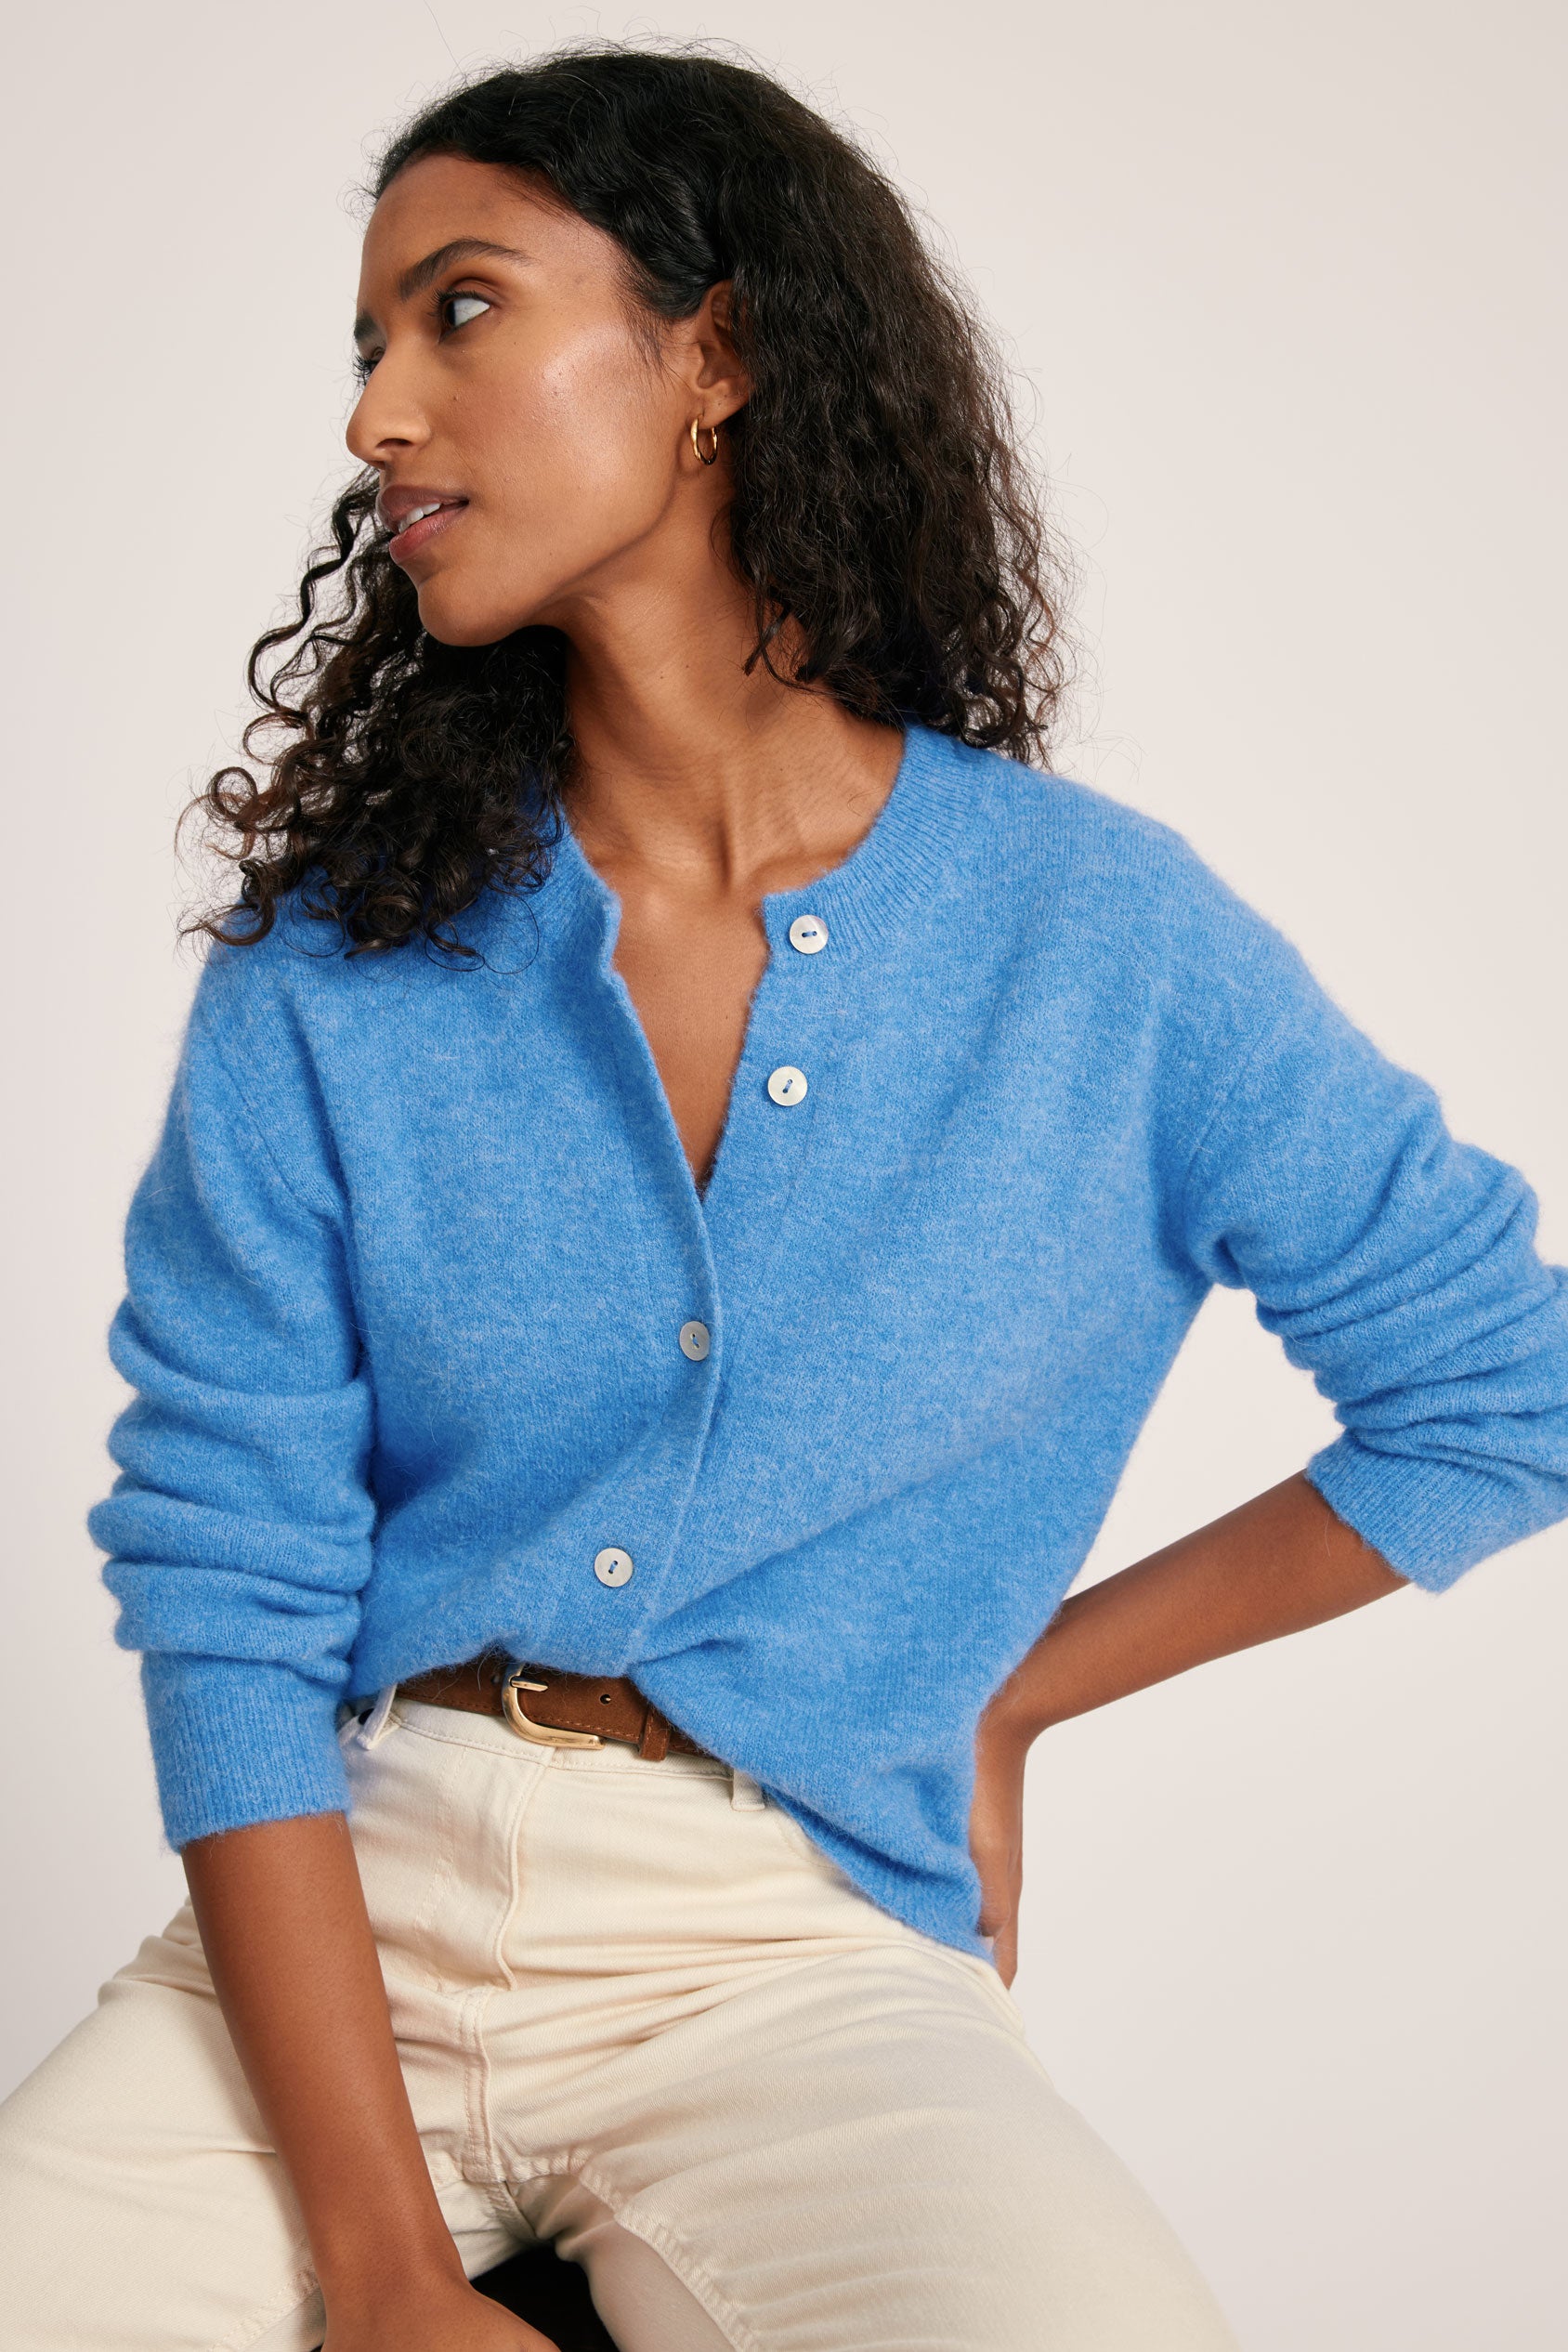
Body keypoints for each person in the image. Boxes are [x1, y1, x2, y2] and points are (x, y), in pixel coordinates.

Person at [2, 40, 1565, 2352]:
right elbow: (225, 1589)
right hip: (337, 1931)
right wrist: (382, 2275)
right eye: (363, 348)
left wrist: (1012, 1692)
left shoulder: (1096, 941)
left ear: (712, 351)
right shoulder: (338, 970)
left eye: (458, 311)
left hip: (792, 1952)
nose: (376, 422)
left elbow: (1498, 1385)